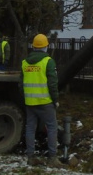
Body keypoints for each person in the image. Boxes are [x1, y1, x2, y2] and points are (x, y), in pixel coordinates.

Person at [21, 34, 63, 168]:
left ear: (33, 47)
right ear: (46, 46)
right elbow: (53, 83)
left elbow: (21, 83)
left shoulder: (24, 62)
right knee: (52, 128)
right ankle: (52, 158)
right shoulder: (48, 61)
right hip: (45, 102)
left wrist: (26, 97)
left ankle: (31, 157)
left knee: (30, 128)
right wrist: (55, 99)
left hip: (30, 103)